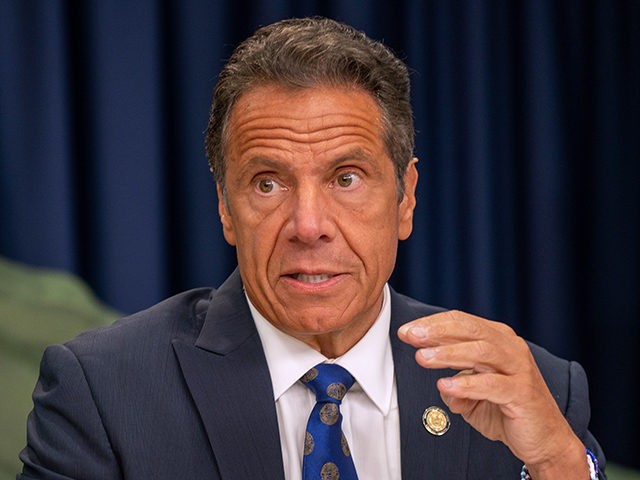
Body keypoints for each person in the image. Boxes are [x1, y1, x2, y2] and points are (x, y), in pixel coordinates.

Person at [18, 17, 605, 479]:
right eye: (268, 183)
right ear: (226, 207)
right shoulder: (101, 392)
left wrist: (557, 463)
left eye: (346, 177)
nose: (308, 224)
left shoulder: (536, 390)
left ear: (405, 199)